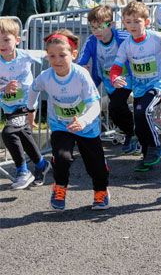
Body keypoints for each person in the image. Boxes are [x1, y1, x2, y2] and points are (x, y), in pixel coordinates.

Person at [29, 30, 110, 210]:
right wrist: (30, 110)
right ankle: (59, 187)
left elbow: (95, 105)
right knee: (61, 157)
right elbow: (33, 88)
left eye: (62, 55)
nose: (57, 60)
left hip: (86, 127)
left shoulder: (81, 75)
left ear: (73, 55)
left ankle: (100, 191)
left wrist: (83, 121)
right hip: (60, 125)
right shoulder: (46, 76)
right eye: (52, 56)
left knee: (94, 163)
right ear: (47, 56)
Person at [111, 1, 161, 172]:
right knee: (139, 122)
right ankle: (147, 157)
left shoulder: (157, 38)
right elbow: (116, 67)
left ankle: (156, 147)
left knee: (143, 111)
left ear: (146, 22)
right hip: (139, 87)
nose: (132, 25)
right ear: (124, 23)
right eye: (128, 21)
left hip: (156, 85)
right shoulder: (126, 45)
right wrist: (115, 78)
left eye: (137, 21)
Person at [76, 6, 137, 154]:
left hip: (127, 79)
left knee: (115, 106)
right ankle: (132, 132)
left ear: (111, 25)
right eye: (93, 27)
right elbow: (81, 61)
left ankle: (133, 134)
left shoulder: (123, 37)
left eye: (100, 27)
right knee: (115, 111)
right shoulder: (91, 41)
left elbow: (137, 53)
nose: (96, 31)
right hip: (108, 81)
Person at [0, 18, 50, 190]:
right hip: (9, 106)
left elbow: (48, 52)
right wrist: (4, 87)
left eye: (6, 39)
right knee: (24, 136)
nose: (2, 44)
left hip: (26, 104)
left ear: (17, 40)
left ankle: (22, 171)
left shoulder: (26, 55)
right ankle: (42, 164)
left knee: (8, 133)